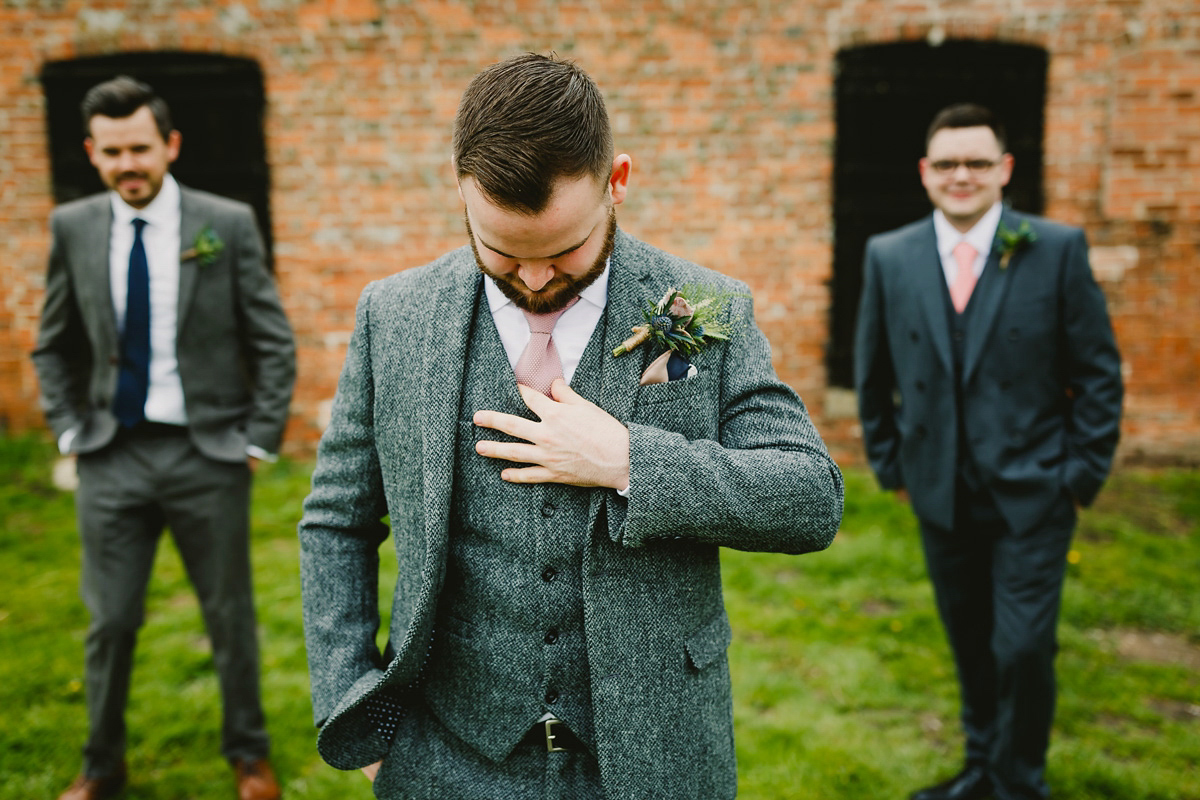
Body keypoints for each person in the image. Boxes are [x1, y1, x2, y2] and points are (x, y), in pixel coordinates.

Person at [298, 52, 844, 800]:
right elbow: (336, 521)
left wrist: (629, 461)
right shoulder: (393, 316)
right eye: (501, 252)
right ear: (462, 190)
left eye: (562, 252)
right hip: (444, 756)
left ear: (617, 182)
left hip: (654, 754)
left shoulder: (707, 308)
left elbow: (811, 498)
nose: (531, 279)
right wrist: (348, 699)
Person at [32, 76, 295, 800]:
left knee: (229, 617)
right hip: (110, 454)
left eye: (140, 148)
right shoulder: (74, 227)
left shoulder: (227, 223)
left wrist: (260, 437)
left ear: (169, 145)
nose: (128, 164)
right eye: (112, 151)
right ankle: (100, 765)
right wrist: (66, 432)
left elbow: (272, 341)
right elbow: (51, 346)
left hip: (206, 453)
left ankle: (249, 754)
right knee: (110, 621)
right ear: (92, 152)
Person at [854, 103, 1123, 800]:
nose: (961, 175)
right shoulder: (890, 255)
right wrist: (893, 467)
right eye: (947, 163)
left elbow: (1097, 372)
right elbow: (872, 373)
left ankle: (1019, 783)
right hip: (939, 491)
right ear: (925, 173)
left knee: (1023, 648)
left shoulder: (1056, 248)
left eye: (977, 162)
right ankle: (980, 769)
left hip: (1037, 490)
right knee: (971, 642)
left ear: (1005, 169)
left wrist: (1080, 474)